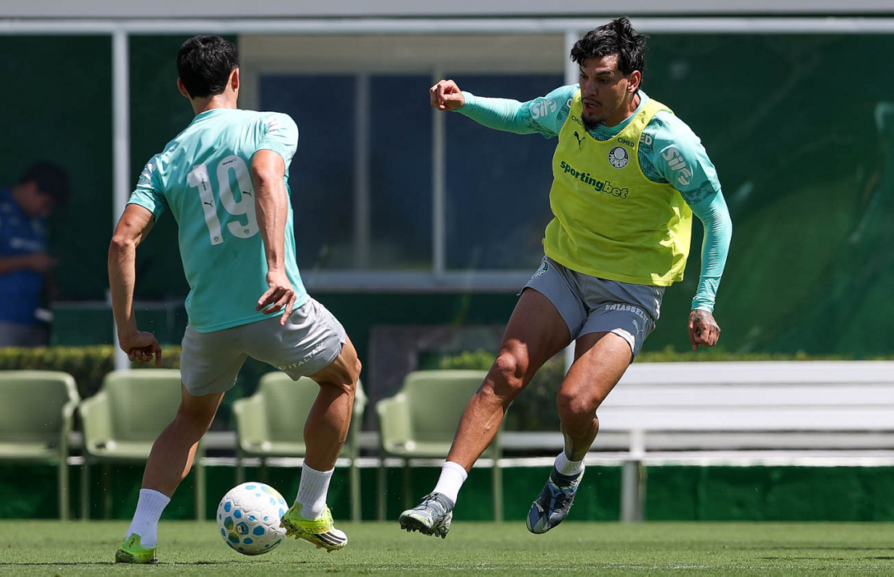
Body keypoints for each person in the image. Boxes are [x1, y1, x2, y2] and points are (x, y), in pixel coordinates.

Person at [400, 17, 733, 538]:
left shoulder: (668, 143)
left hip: (629, 291)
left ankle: (569, 467)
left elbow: (717, 216)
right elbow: (518, 116)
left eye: (602, 79)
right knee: (507, 371)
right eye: (584, 78)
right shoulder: (569, 108)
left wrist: (703, 300)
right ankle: (442, 497)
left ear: (633, 81)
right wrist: (465, 101)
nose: (589, 91)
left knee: (574, 402)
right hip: (564, 270)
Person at [110, 35, 362, 564]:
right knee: (343, 376)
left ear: (183, 88)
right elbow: (267, 174)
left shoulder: (165, 160)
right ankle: (310, 507)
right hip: (276, 305)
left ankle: (140, 535)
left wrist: (128, 330)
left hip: (208, 321)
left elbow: (122, 241)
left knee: (190, 420)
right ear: (236, 79)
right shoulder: (271, 124)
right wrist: (275, 267)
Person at [0, 162, 67, 347]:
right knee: (4, 376)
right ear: (31, 187)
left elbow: (42, 262)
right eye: (45, 203)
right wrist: (28, 261)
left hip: (36, 318)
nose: (45, 212)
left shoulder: (37, 222)